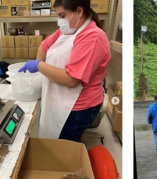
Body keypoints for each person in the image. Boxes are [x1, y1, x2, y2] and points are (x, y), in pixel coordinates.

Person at [17, 0, 110, 143]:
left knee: (65, 147)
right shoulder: (69, 29)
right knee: (54, 140)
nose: (59, 21)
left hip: (78, 107)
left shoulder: (93, 37)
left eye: (62, 15)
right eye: (58, 15)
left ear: (79, 12)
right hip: (59, 97)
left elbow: (71, 80)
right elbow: (44, 45)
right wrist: (39, 70)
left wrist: (39, 66)